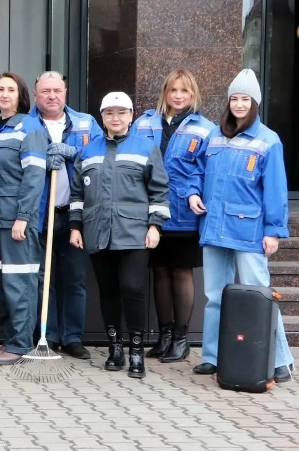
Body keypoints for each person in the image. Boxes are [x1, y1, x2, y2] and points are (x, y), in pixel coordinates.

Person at [188, 69, 294, 383]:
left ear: (255, 103)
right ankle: (212, 356)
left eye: (245, 99)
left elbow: (275, 189)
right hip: (214, 226)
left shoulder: (268, 140)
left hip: (249, 232)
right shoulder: (215, 135)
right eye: (234, 98)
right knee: (215, 295)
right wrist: (193, 192)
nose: (239, 104)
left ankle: (279, 362)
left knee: (260, 297)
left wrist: (274, 230)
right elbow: (197, 170)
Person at [70, 91, 170, 379]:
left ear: (131, 115)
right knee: (109, 291)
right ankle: (115, 348)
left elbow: (159, 190)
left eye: (121, 112)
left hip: (134, 232)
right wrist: (76, 226)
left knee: (133, 289)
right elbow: (78, 194)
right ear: (102, 117)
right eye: (109, 113)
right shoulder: (88, 150)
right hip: (96, 230)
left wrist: (155, 226)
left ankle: (136, 351)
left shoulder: (145, 148)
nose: (115, 118)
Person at [131, 69, 213, 363]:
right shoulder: (142, 123)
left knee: (181, 272)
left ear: (193, 96)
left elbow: (205, 171)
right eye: (173, 90)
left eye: (185, 92)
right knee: (160, 271)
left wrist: (194, 194)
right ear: (165, 92)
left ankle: (181, 338)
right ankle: (164, 335)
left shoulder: (205, 129)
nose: (178, 96)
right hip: (150, 212)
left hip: (184, 212)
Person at [28, 71, 102, 359]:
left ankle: (72, 337)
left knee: (74, 279)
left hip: (74, 216)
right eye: (45, 90)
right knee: (43, 279)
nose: (51, 95)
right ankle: (49, 334)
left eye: (56, 90)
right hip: (38, 213)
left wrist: (74, 153)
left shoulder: (86, 122)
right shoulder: (26, 124)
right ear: (36, 95)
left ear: (65, 92)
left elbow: (100, 156)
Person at [0, 73, 48, 365]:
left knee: (19, 283)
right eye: (1, 89)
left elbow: (34, 177)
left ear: (20, 94)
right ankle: (10, 339)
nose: (5, 94)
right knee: (0, 284)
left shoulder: (30, 127)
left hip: (17, 221)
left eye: (11, 89)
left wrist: (23, 217)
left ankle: (22, 344)